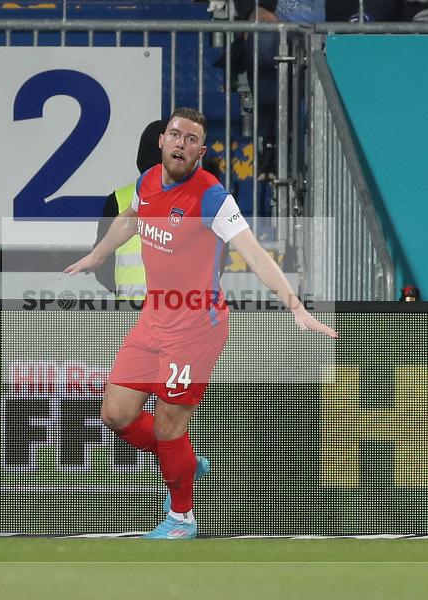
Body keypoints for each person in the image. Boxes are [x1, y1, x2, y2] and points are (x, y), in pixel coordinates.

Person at [65, 107, 337, 539]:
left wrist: (294, 304)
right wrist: (98, 255)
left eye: (192, 139)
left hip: (196, 327)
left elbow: (252, 251)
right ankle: (185, 463)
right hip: (153, 319)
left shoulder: (212, 197)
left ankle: (181, 518)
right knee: (115, 414)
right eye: (176, 135)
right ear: (162, 141)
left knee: (169, 425)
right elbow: (131, 219)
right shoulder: (147, 181)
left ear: (200, 150)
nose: (181, 143)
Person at [92, 119, 166, 300]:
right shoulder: (198, 200)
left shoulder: (118, 200)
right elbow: (215, 261)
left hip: (131, 314)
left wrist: (126, 293)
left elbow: (101, 264)